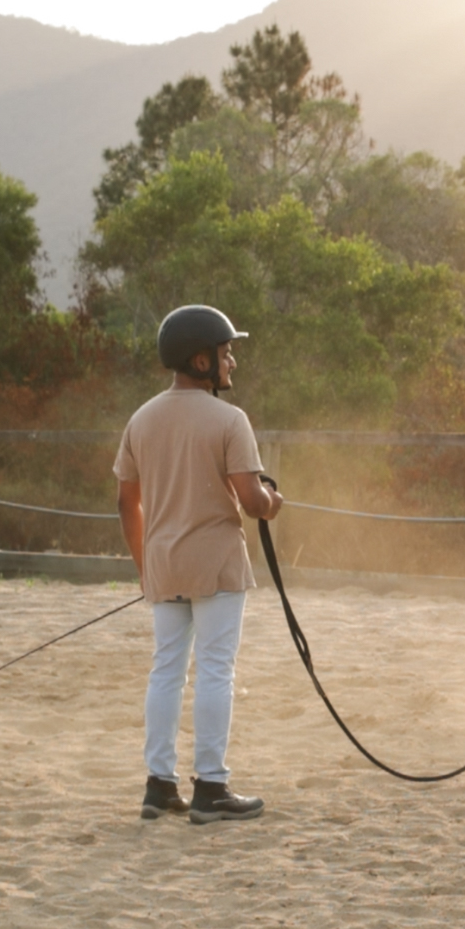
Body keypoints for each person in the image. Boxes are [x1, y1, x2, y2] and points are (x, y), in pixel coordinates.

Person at [113, 304, 283, 824]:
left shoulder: (141, 419)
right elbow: (251, 501)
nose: (232, 361)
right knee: (215, 669)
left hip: (164, 563)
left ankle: (159, 784)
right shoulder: (230, 420)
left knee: (166, 670)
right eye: (225, 353)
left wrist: (145, 566)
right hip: (215, 563)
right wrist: (274, 501)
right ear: (201, 360)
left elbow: (126, 502)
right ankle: (211, 785)